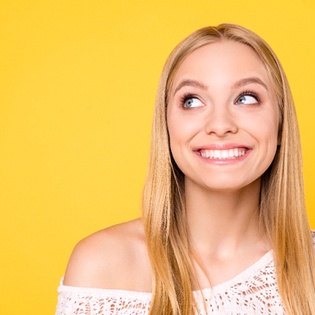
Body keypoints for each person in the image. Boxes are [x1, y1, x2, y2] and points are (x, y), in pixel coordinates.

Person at [55, 23, 315, 315]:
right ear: (166, 126)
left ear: (281, 126)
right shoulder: (104, 266)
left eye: (246, 98)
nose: (220, 126)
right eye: (192, 101)